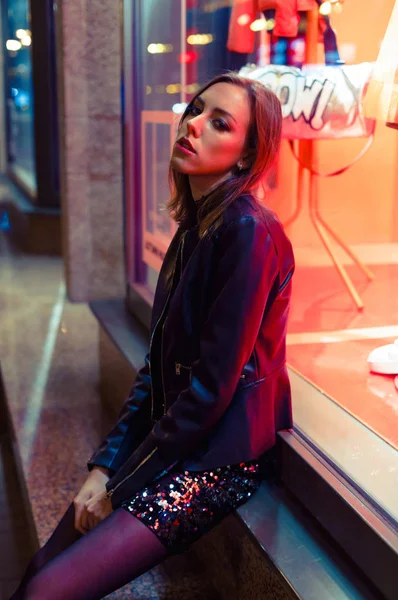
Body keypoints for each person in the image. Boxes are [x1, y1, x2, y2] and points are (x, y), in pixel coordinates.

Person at [11, 72, 295, 600]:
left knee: (47, 590)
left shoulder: (248, 233)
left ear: (244, 154)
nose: (193, 126)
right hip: (173, 442)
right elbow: (156, 368)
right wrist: (102, 465)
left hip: (216, 462)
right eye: (195, 110)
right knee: (42, 566)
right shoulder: (195, 226)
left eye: (219, 123)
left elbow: (210, 392)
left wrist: (119, 488)